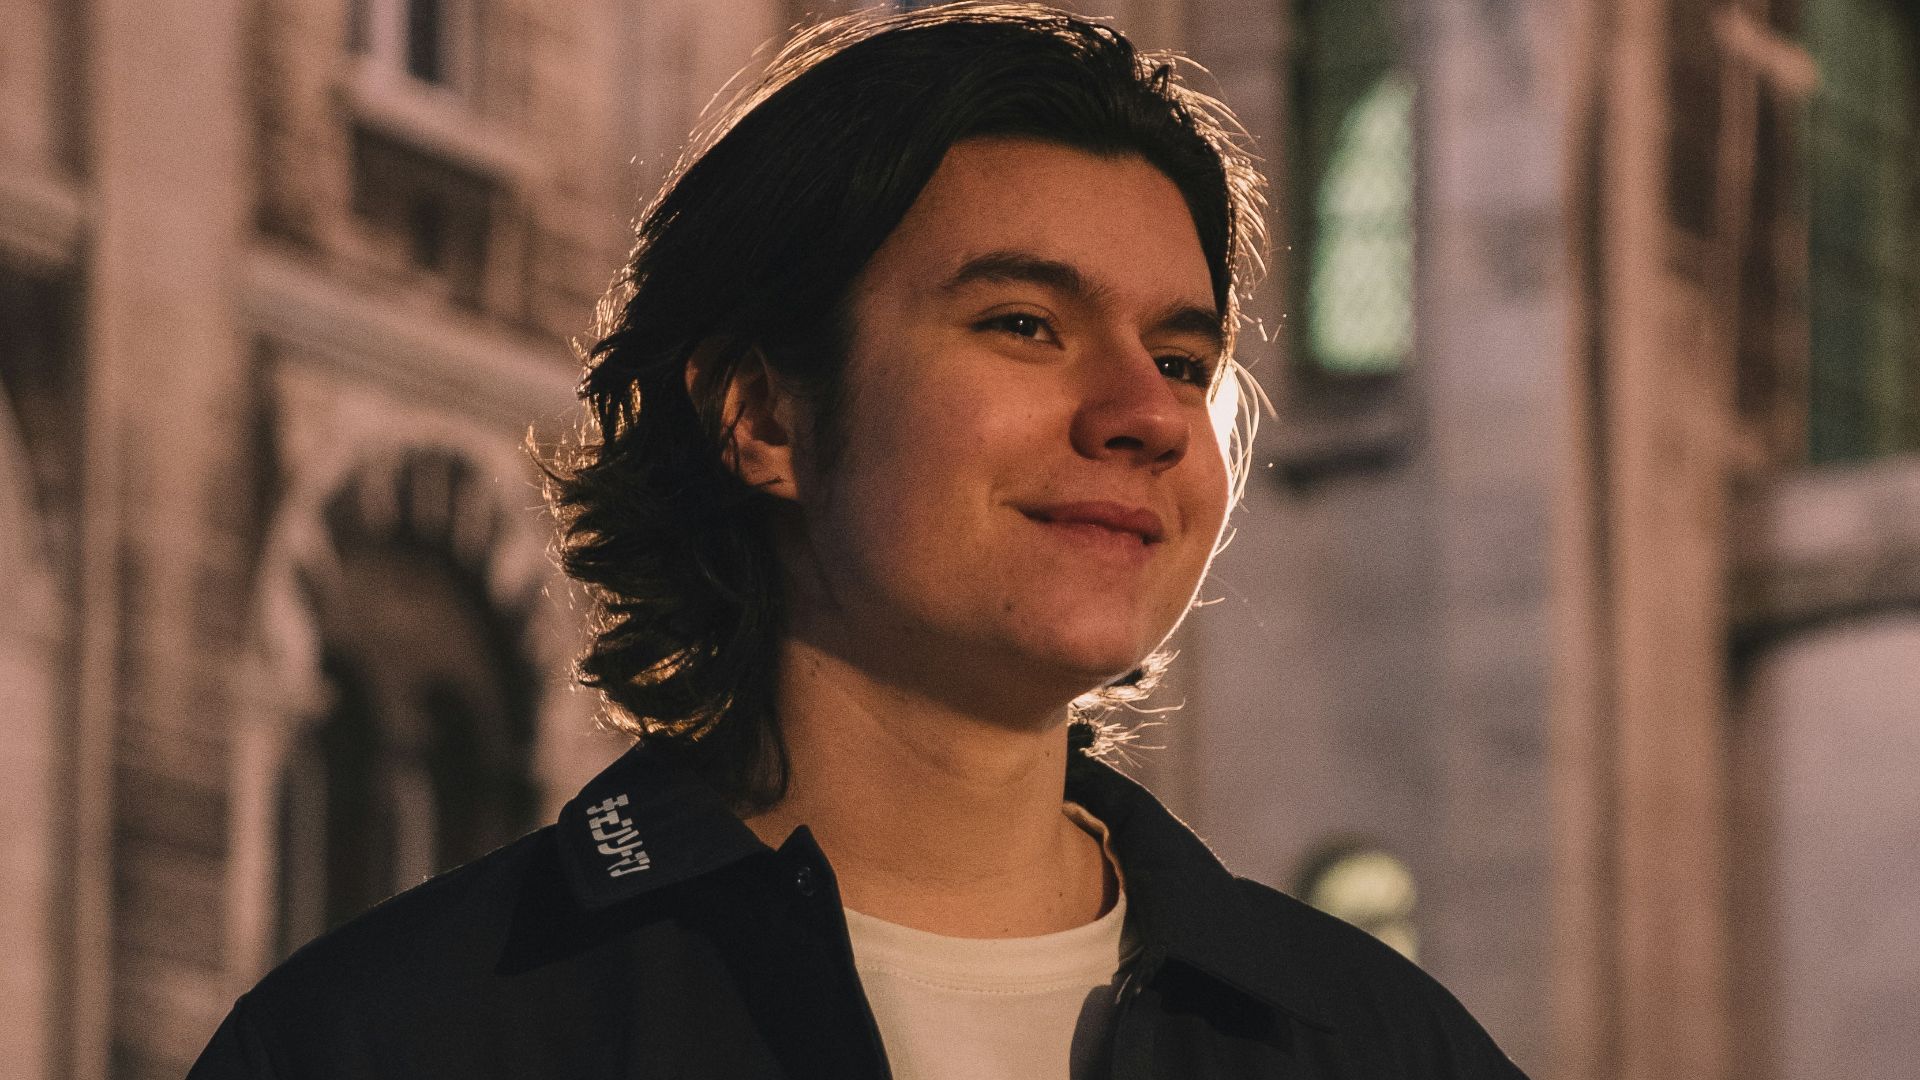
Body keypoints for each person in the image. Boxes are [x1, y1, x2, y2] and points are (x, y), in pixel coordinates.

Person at [189, 4, 1529, 1078]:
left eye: (1184, 358)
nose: (1144, 416)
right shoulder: (401, 1037)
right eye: (1023, 323)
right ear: (764, 413)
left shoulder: (1373, 1046)